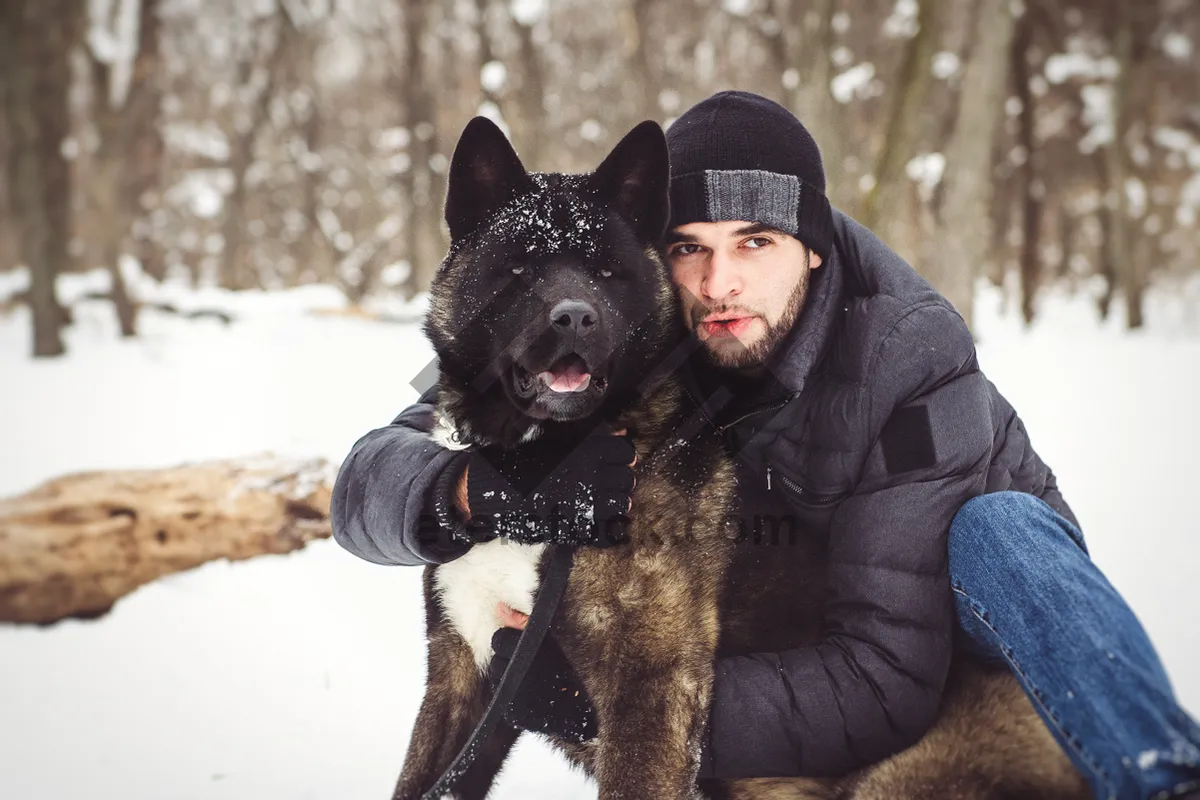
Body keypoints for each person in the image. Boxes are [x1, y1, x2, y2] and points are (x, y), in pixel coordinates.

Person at [331, 91, 1200, 800]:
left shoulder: (907, 358)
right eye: (689, 249)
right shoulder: (608, 334)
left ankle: (1163, 773)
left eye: (756, 243)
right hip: (785, 646)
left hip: (970, 662)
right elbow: (385, 464)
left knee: (1000, 530)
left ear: (812, 249)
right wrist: (468, 492)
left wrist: (620, 701)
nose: (720, 283)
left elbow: (884, 678)